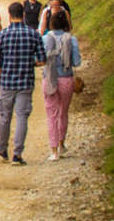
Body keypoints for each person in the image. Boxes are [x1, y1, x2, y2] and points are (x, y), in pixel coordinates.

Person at [0, 1, 46, 164]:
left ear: (8, 16)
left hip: (7, 82)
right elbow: (42, 59)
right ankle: (17, 153)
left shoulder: (2, 35)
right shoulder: (33, 34)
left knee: (5, 116)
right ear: (23, 15)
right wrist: (31, 63)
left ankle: (2, 149)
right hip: (25, 82)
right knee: (22, 116)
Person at [42, 9, 82, 160]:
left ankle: (53, 152)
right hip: (66, 79)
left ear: (51, 23)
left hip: (50, 79)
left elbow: (41, 58)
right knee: (63, 113)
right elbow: (77, 62)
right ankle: (61, 144)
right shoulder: (72, 40)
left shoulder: (46, 38)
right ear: (66, 24)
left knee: (51, 115)